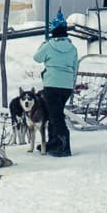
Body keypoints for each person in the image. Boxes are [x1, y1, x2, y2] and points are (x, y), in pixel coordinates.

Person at [33, 11, 80, 157]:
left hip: (52, 84)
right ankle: (53, 142)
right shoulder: (73, 48)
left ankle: (64, 146)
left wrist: (44, 44)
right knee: (54, 113)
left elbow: (37, 58)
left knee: (56, 116)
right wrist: (71, 82)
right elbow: (75, 68)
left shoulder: (49, 45)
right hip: (66, 86)